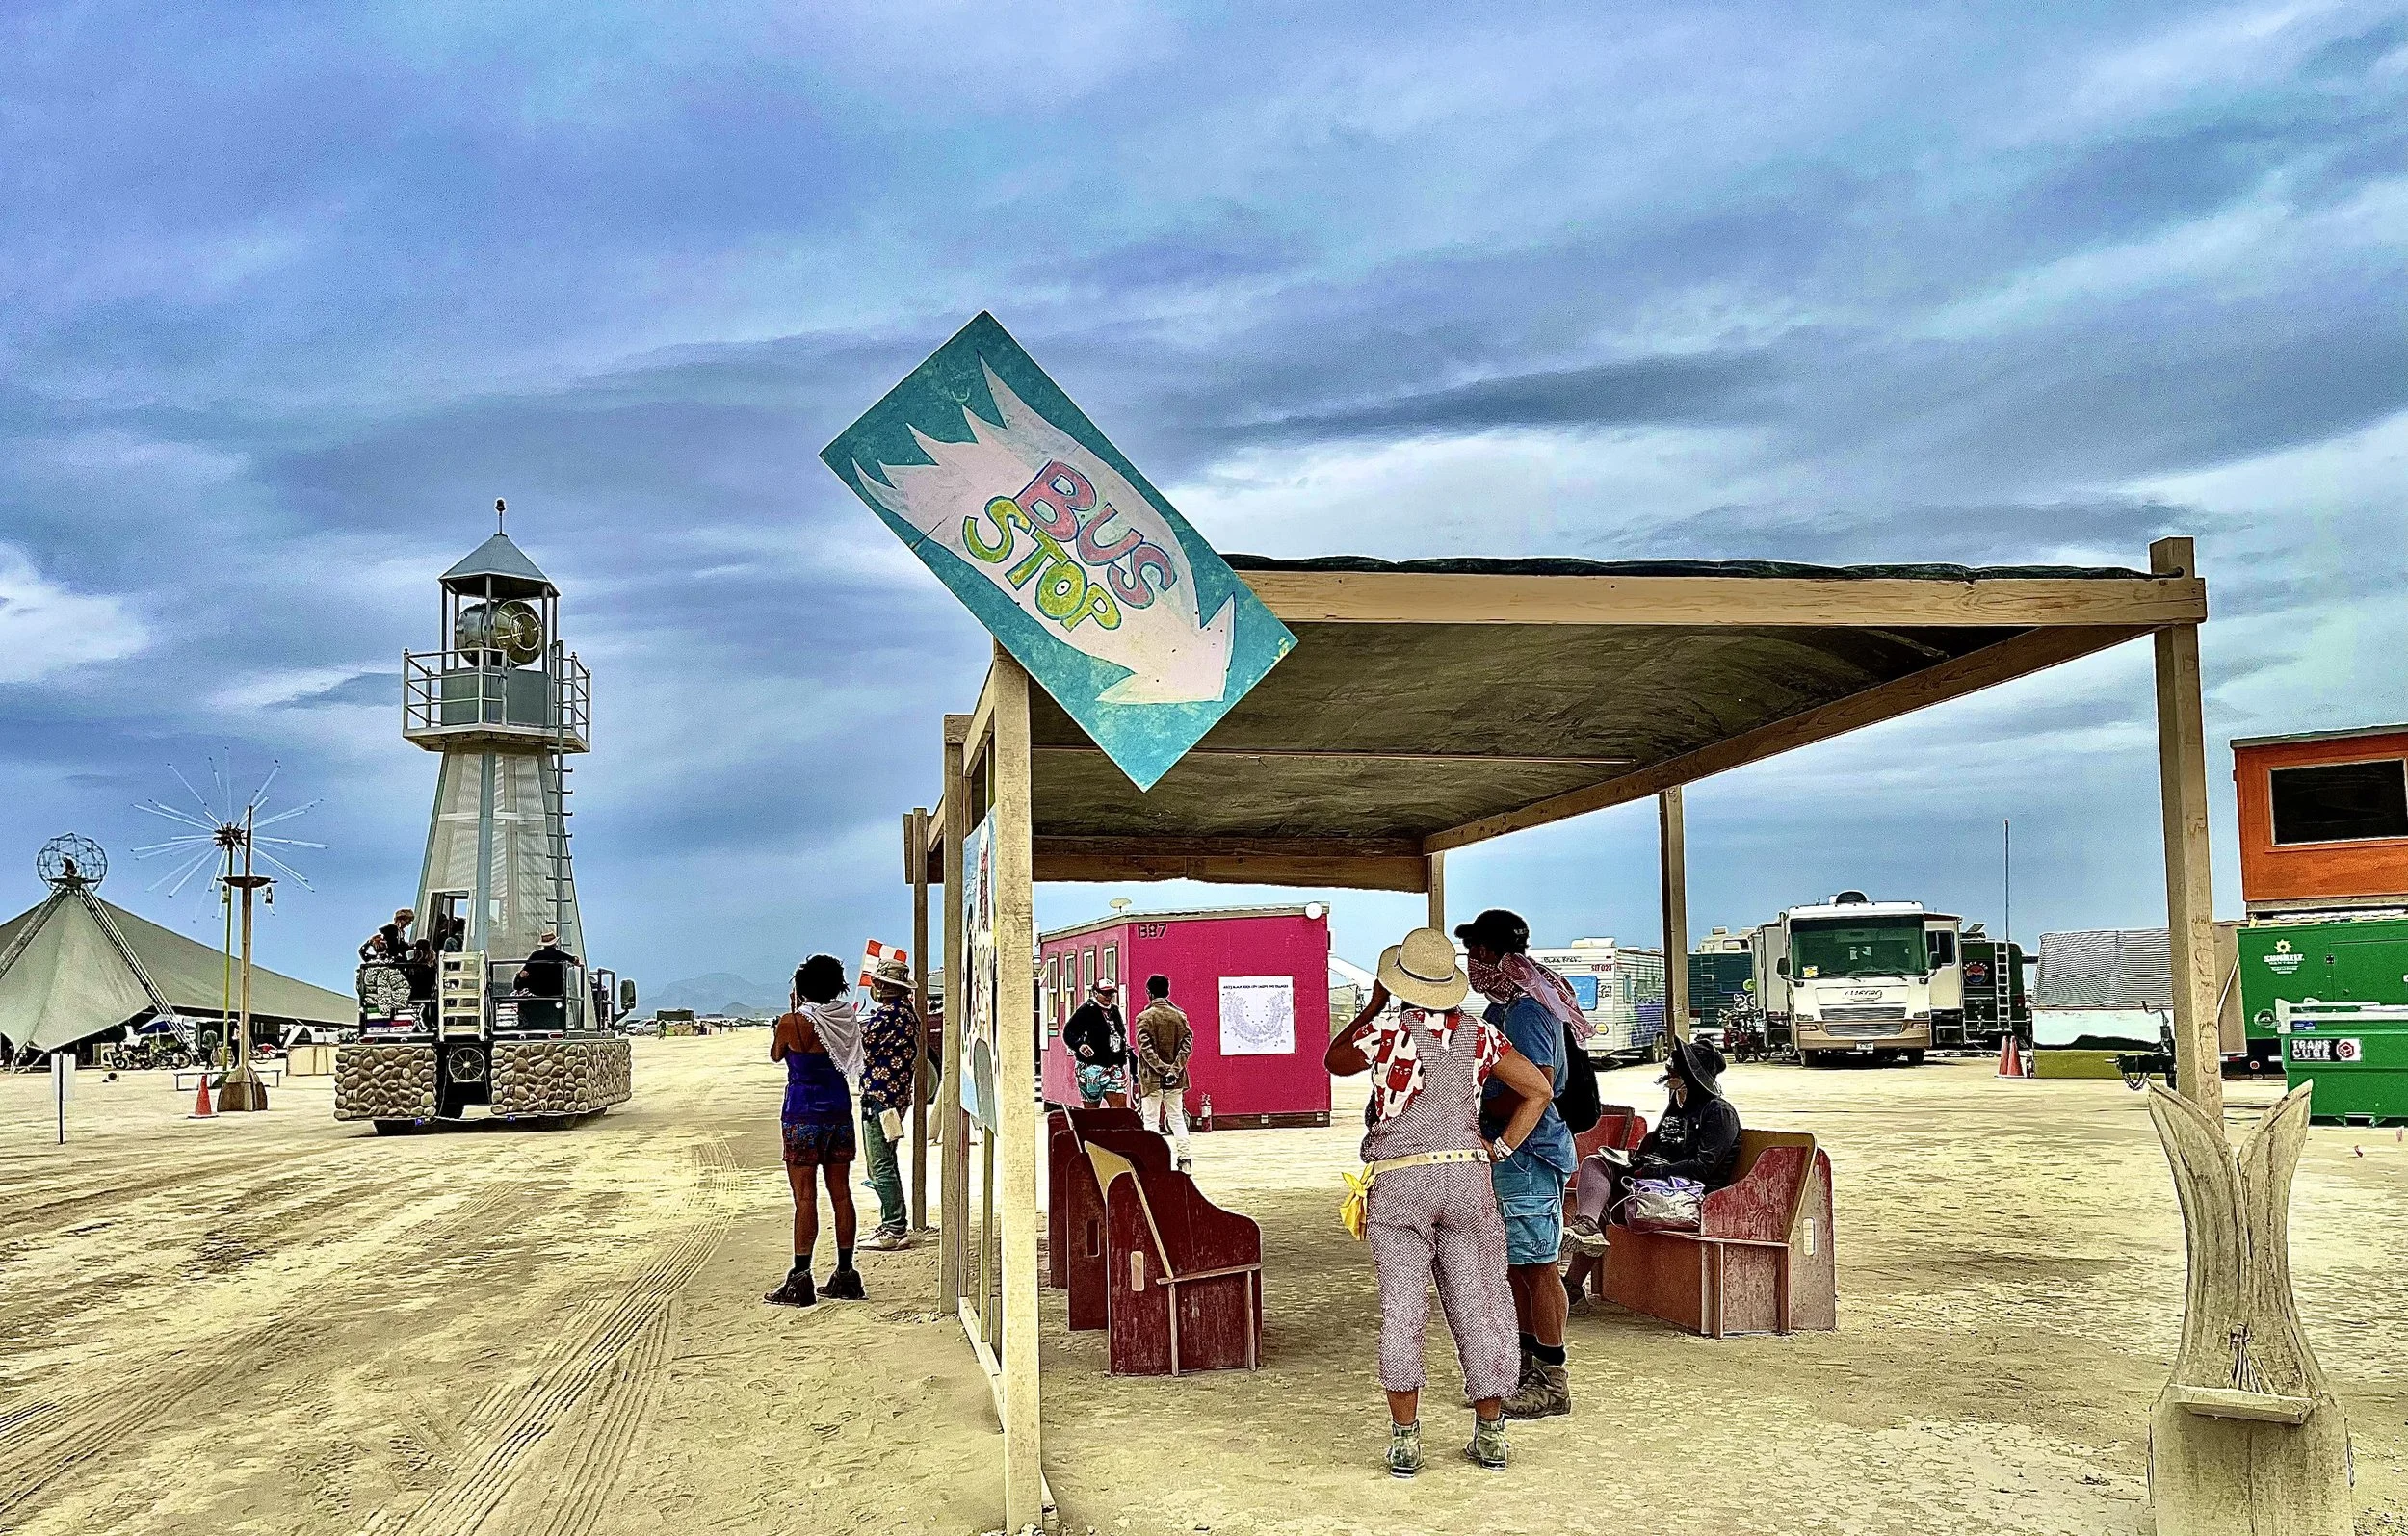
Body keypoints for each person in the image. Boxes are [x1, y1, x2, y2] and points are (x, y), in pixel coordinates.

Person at [1326, 926, 1554, 1478]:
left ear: (1398, 982)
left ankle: (1406, 1440)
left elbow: (1334, 1060)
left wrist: (1376, 1005)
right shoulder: (1479, 1036)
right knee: (1479, 1303)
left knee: (1403, 1309)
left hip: (1399, 1182)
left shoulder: (1383, 1034)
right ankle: (1490, 1435)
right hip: (1468, 1179)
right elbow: (1539, 1089)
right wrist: (1500, 1147)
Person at [1455, 907, 1588, 1419]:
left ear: (1490, 954)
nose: (1472, 965)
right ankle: (1526, 1364)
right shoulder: (1502, 1011)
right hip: (1511, 1152)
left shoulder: (1529, 1011)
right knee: (1515, 1268)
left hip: (1528, 1153)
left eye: (1474, 954)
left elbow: (1542, 1084)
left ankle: (1553, 1378)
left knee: (1537, 1267)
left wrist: (1484, 1113)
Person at [1565, 1037, 1741, 1254]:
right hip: (1658, 1178)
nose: (1669, 1069)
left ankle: (1584, 1243)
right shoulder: (1678, 1104)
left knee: (1608, 1203)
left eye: (1677, 1067)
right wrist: (1634, 1161)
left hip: (1691, 1192)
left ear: (1693, 1076)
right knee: (1596, 1164)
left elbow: (1703, 1167)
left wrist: (1650, 1172)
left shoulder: (1719, 1112)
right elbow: (1659, 1144)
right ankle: (1586, 1229)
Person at [766, 954, 867, 1307]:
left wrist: (793, 1011)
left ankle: (800, 1277)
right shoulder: (846, 1018)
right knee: (841, 1193)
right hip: (838, 1113)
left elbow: (777, 1055)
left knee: (805, 1198)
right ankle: (845, 1273)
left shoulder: (792, 1022)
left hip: (801, 1115)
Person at [855, 956, 920, 1251]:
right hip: (894, 1098)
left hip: (880, 1098)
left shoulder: (888, 1017)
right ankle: (892, 1222)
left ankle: (895, 1227)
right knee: (885, 1160)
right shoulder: (907, 1014)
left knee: (880, 1164)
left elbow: (858, 1042)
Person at [1132, 975, 1194, 1172]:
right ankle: (1184, 1160)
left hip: (1151, 1079)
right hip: (1175, 1079)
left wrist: (1161, 1068)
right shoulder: (1179, 1016)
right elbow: (1186, 1045)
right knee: (1176, 1117)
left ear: (1148, 993)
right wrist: (1174, 1069)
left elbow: (1145, 1048)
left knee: (1150, 1120)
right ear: (1167, 991)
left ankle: (1152, 1160)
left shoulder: (1144, 1017)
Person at [1062, 976, 1129, 1108]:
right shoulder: (1087, 1010)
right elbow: (1069, 1032)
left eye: (1111, 993)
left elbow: (1120, 1033)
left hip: (1114, 1067)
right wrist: (1079, 1045)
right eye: (1104, 993)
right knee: (1092, 1111)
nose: (1108, 996)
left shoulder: (1114, 1011)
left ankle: (1114, 1129)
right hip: (1091, 1068)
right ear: (1095, 993)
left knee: (1119, 1111)